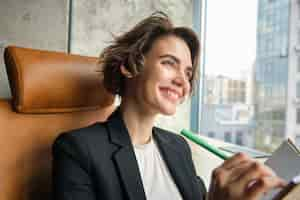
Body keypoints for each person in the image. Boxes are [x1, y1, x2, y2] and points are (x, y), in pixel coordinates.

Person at [52, 12, 286, 200]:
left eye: (187, 73)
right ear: (130, 66)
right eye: (169, 63)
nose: (183, 81)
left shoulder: (177, 146)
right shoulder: (77, 149)